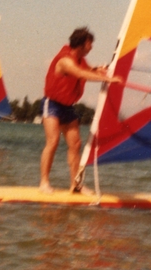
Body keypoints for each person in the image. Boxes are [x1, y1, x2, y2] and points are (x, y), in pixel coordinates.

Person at [39, 27, 122, 195]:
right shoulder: (65, 60)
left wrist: (98, 69)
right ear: (82, 44)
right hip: (52, 104)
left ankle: (75, 185)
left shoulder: (80, 59)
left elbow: (87, 70)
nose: (91, 47)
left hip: (67, 107)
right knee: (53, 141)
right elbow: (79, 73)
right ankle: (44, 182)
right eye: (90, 44)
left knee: (75, 144)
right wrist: (108, 79)